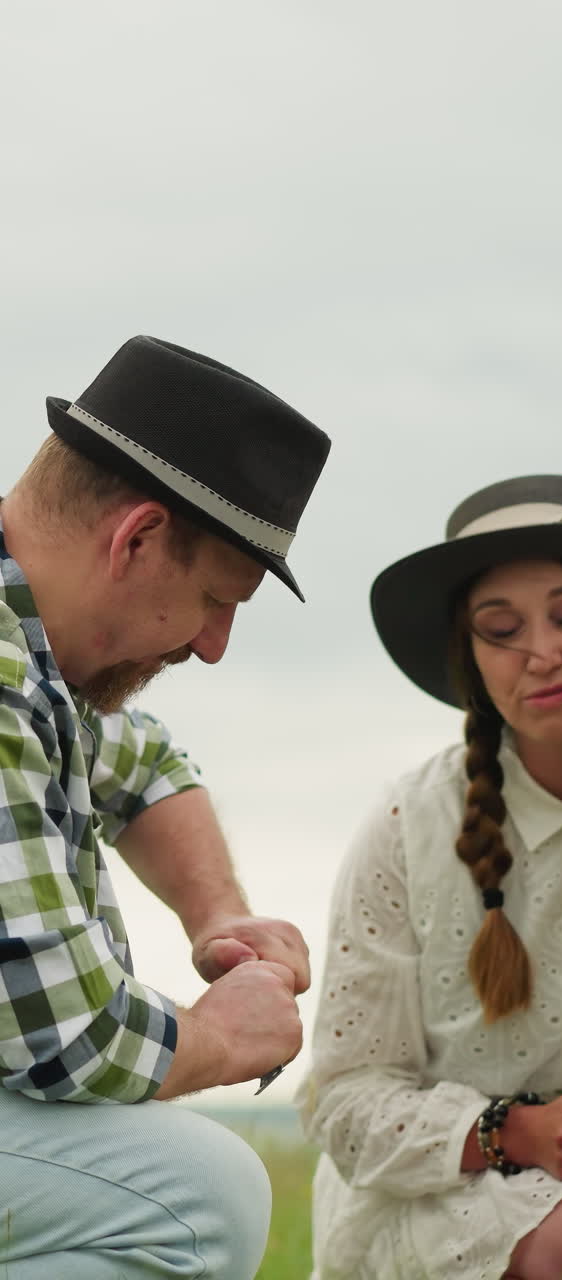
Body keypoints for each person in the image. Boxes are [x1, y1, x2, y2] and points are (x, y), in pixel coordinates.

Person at [298, 474, 562, 1280]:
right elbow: (344, 1104)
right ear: (472, 658)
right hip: (454, 1187)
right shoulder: (409, 822)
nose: (540, 653)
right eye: (500, 629)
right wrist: (509, 1130)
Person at [0, 334, 331, 1279]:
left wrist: (219, 916)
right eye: (217, 598)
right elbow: (67, 1039)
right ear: (138, 539)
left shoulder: (33, 659)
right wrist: (224, 1034)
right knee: (200, 1194)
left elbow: (145, 764)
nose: (215, 644)